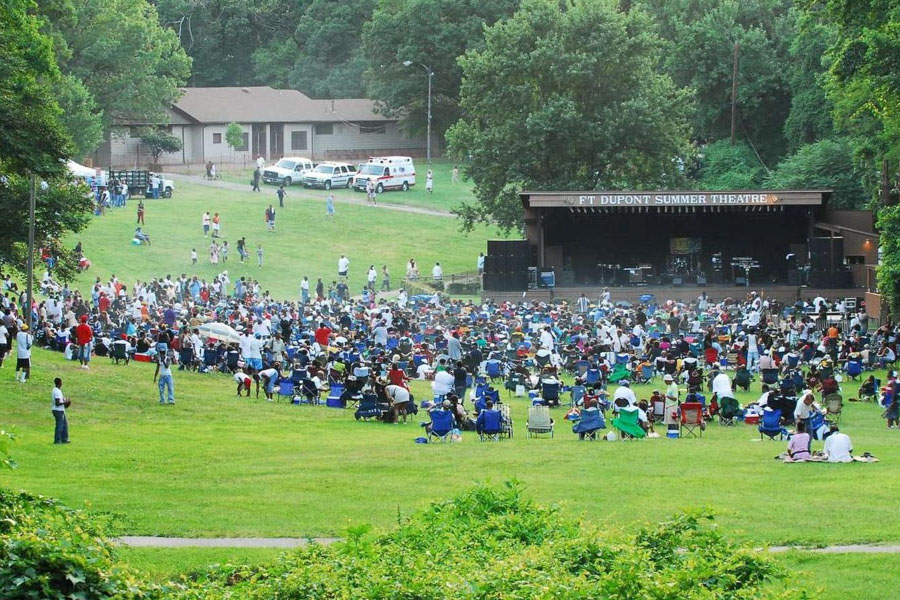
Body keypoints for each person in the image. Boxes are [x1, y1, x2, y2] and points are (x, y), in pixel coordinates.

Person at [51, 377, 70, 444]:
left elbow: (60, 400)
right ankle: (57, 440)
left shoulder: (58, 390)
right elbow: (57, 403)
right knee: (59, 425)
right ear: (59, 383)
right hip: (58, 410)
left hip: (61, 410)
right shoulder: (56, 391)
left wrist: (65, 400)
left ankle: (64, 439)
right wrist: (65, 402)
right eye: (61, 382)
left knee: (64, 424)